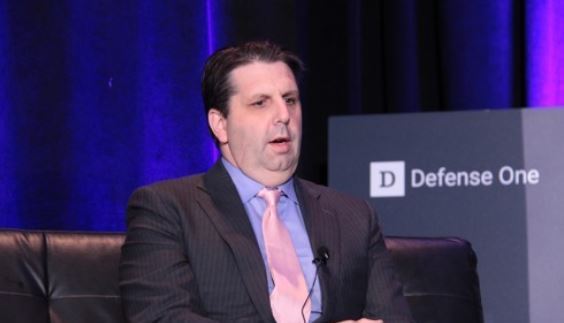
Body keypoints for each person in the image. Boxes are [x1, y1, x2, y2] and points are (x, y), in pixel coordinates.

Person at [119, 41, 413, 323]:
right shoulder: (167, 209)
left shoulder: (354, 216)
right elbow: (162, 317)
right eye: (260, 103)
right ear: (220, 124)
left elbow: (394, 319)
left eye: (290, 100)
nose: (283, 115)